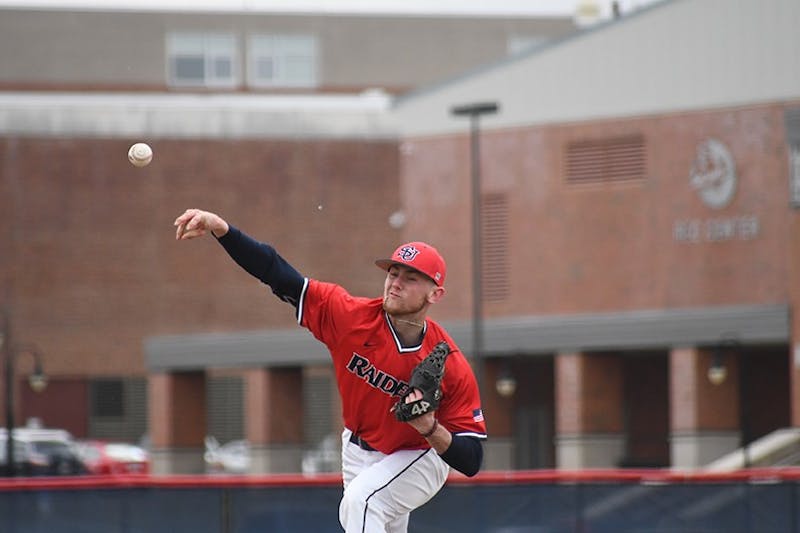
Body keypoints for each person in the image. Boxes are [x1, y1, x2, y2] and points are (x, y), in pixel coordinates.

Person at [174, 208, 487, 533]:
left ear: (435, 294)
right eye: (393, 273)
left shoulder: (450, 362)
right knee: (366, 513)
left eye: (410, 278)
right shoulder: (350, 317)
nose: (396, 283)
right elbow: (276, 272)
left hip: (420, 452)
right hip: (357, 447)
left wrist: (429, 426)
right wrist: (223, 230)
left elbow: (471, 459)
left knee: (362, 503)